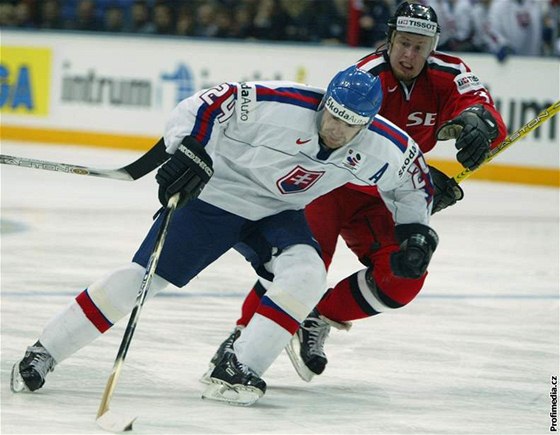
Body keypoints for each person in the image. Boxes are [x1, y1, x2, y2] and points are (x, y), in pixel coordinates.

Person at [10, 65, 437, 406]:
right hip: (216, 196)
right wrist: (193, 147)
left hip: (278, 210)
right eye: (333, 116)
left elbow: (411, 182)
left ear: (367, 123)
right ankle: (44, 351)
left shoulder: (385, 145)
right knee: (144, 278)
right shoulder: (279, 103)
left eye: (350, 125)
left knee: (307, 273)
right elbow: (207, 104)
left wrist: (416, 232)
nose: (337, 131)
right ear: (324, 101)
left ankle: (235, 366)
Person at [203, 1, 507, 384]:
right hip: (330, 186)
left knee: (405, 275)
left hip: (385, 197)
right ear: (389, 40)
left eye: (420, 46)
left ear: (433, 47)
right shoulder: (364, 78)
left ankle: (317, 315)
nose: (410, 55)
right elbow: (339, 149)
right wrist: (419, 180)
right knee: (298, 265)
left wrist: (481, 123)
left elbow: (484, 108)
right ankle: (242, 337)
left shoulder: (451, 73)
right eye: (403, 44)